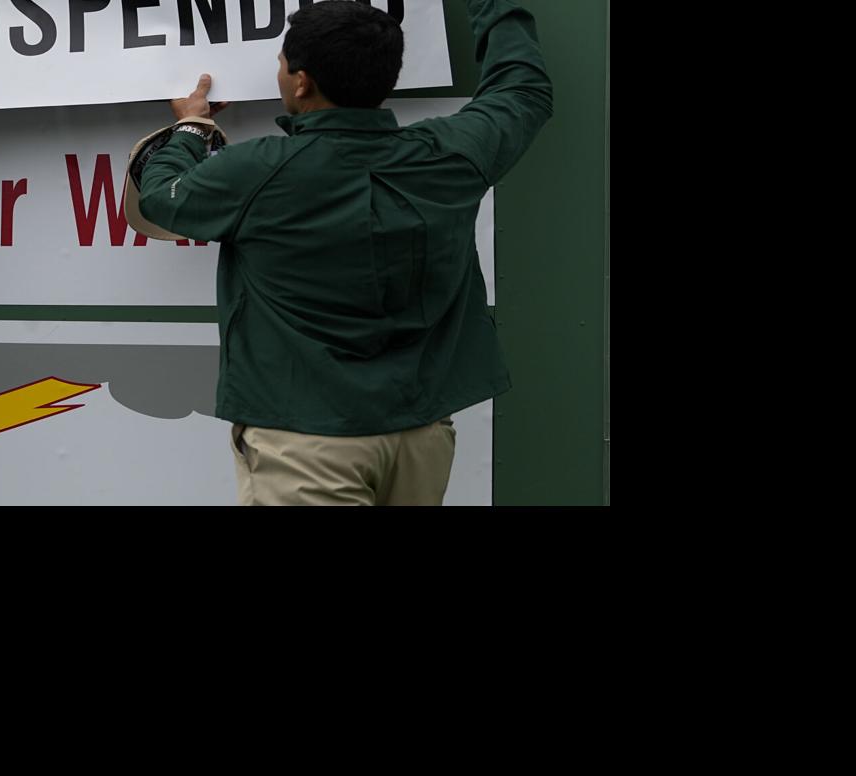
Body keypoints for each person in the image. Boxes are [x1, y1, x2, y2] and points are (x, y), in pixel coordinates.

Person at [134, 0, 553, 506]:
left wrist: (192, 129)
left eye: (282, 63)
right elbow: (522, 90)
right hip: (421, 438)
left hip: (305, 447)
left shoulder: (259, 169)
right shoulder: (451, 154)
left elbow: (160, 197)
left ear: (302, 82)